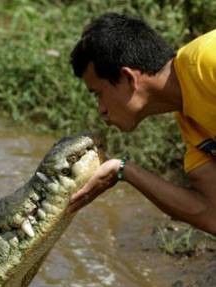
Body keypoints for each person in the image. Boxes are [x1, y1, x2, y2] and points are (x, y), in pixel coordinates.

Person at [68, 12, 216, 235]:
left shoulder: (208, 61)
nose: (101, 110)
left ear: (128, 78)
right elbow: (211, 214)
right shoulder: (192, 124)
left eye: (98, 94)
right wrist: (123, 170)